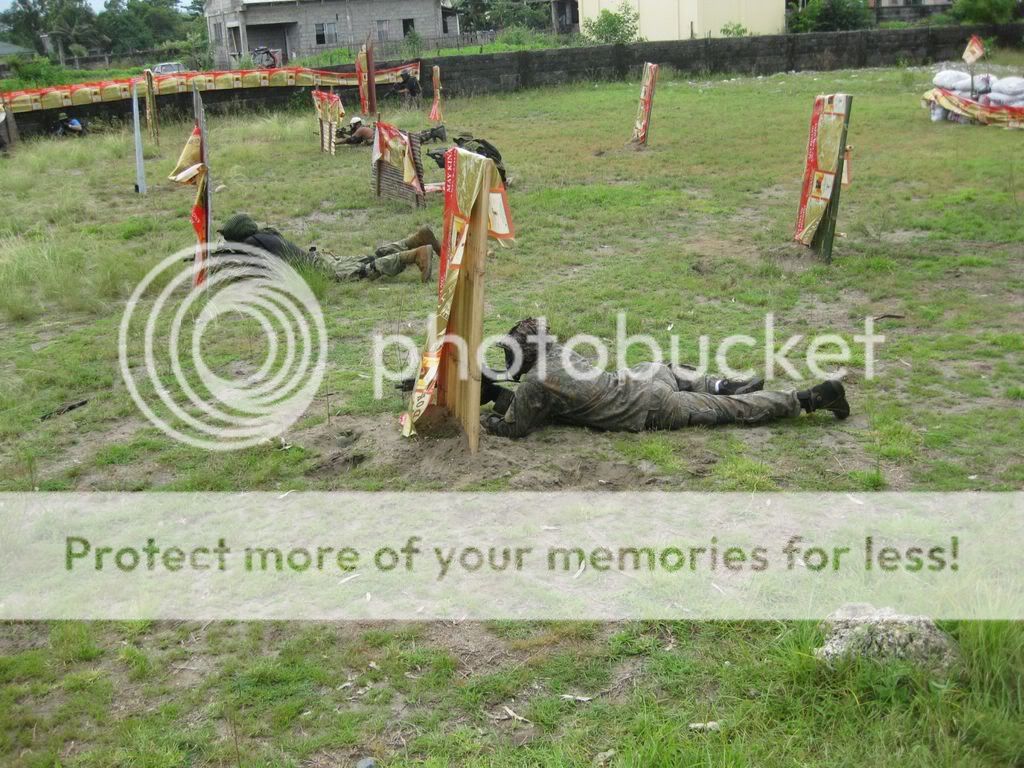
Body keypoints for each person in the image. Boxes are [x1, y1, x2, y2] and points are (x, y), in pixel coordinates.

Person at [479, 318, 850, 439]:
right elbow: (553, 398)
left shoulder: (534, 384)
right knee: (664, 366)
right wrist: (500, 389)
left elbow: (518, 426)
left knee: (735, 410)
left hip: (650, 407)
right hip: (642, 382)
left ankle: (807, 399)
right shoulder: (559, 352)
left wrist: (491, 409)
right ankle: (716, 382)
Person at [213, 213, 440, 283]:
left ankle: (414, 255)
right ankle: (414, 240)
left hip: (318, 269)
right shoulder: (265, 233)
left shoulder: (253, 244)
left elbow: (237, 262)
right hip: (317, 259)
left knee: (364, 270)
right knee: (365, 259)